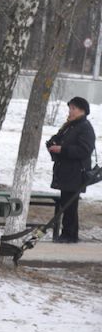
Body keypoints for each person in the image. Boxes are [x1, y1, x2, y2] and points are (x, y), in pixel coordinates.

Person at [47, 97, 96, 243]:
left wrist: (62, 149)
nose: (70, 111)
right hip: (66, 172)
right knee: (66, 203)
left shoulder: (85, 127)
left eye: (73, 108)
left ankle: (70, 235)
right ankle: (68, 234)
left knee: (70, 205)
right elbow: (57, 139)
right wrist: (52, 144)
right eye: (70, 108)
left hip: (76, 173)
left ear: (82, 111)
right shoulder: (70, 126)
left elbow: (84, 150)